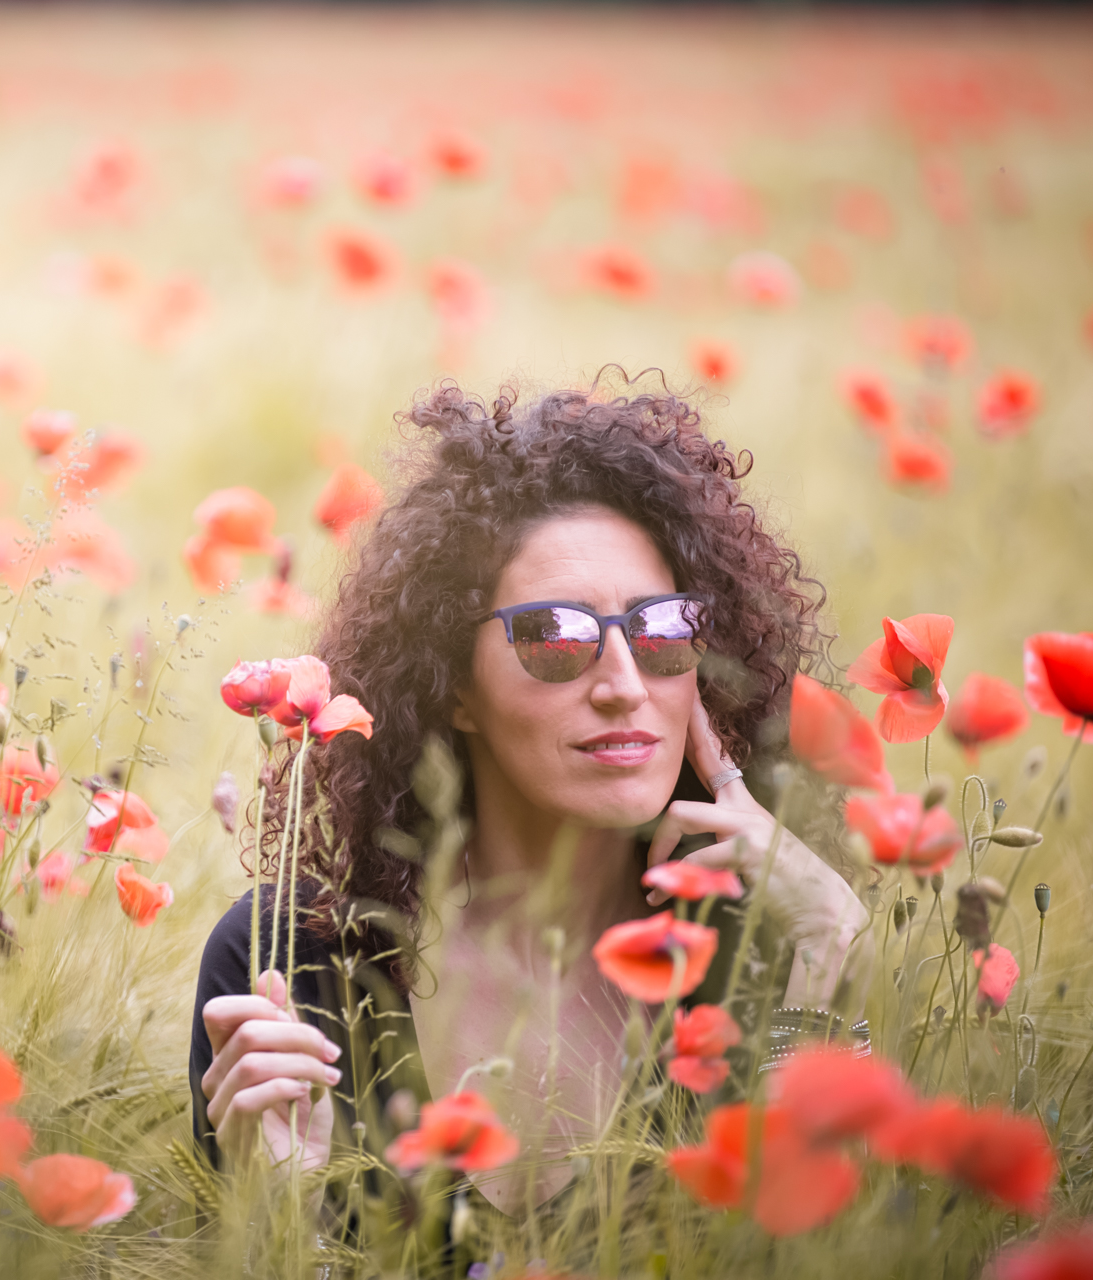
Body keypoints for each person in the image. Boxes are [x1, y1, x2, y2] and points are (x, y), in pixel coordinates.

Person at [187, 375, 871, 1225]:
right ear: (453, 684)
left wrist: (823, 960)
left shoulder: (767, 947)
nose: (625, 686)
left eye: (662, 629)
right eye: (555, 635)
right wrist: (283, 1206)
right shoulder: (296, 964)